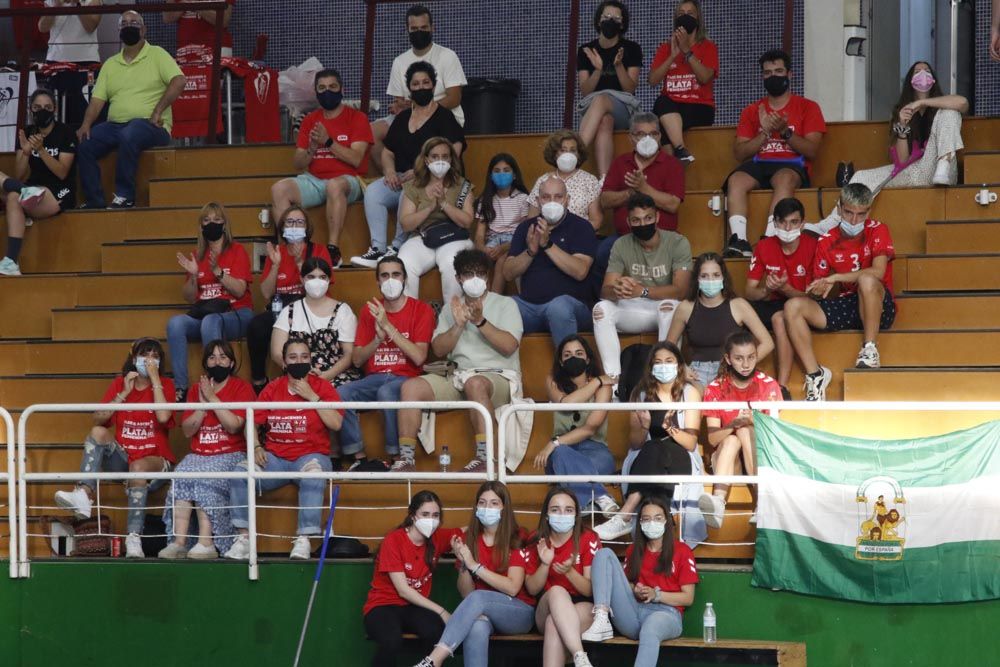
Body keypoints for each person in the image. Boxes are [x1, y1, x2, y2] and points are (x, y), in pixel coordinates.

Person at [397, 249, 523, 473]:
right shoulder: (451, 309)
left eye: (480, 273)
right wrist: (458, 325)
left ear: (487, 276)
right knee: (411, 387)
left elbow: (509, 346)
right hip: (458, 376)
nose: (475, 279)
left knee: (475, 383)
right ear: (458, 278)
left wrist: (480, 321)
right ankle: (407, 459)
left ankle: (487, 458)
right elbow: (438, 348)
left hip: (499, 376)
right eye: (468, 274)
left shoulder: (506, 304)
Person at [811, 62, 967, 238]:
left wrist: (921, 102)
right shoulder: (901, 111)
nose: (922, 74)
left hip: (943, 172)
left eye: (926, 71)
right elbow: (902, 160)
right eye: (917, 71)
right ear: (910, 80)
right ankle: (833, 221)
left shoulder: (942, 105)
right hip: (917, 172)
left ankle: (943, 164)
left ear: (933, 78)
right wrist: (901, 125)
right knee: (861, 176)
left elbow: (962, 102)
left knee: (950, 112)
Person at [54, 338, 176, 559]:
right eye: (145, 354)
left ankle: (133, 537)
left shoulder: (166, 384)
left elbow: (163, 416)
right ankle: (83, 493)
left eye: (155, 356)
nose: (149, 360)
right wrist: (123, 394)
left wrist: (156, 378)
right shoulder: (121, 383)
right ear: (134, 358)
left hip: (155, 462)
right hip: (124, 460)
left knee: (138, 467)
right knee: (97, 433)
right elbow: (98, 418)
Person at [225, 340, 344, 560]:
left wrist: (312, 397)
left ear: (310, 359)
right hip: (275, 458)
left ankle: (304, 540)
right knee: (239, 474)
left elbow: (336, 423)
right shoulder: (273, 388)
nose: (299, 361)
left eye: (304, 357)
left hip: (311, 455)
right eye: (293, 357)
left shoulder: (323, 387)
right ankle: (243, 539)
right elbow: (251, 420)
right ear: (284, 362)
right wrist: (256, 446)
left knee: (314, 475)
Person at [784, 183, 896, 401]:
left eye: (861, 214)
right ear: (839, 208)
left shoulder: (878, 229)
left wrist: (836, 277)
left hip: (879, 304)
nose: (854, 220)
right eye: (848, 212)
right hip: (847, 304)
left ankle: (870, 349)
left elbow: (878, 272)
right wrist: (819, 289)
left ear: (869, 212)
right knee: (792, 307)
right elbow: (821, 284)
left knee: (866, 279)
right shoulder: (826, 240)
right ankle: (815, 376)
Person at [354, 61, 465, 268]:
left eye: (426, 83)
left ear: (433, 86)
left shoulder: (445, 117)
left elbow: (454, 152)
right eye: (416, 84)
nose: (421, 87)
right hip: (400, 178)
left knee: (410, 189)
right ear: (409, 88)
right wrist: (389, 172)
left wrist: (418, 173)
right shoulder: (403, 117)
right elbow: (387, 151)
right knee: (374, 192)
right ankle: (377, 249)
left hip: (430, 182)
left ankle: (396, 247)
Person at [412, 482, 534, 667]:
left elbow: (513, 588)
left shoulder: (518, 536)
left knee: (480, 598)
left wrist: (474, 566)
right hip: (483, 612)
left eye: (494, 503)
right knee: (476, 626)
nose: (487, 508)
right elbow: (467, 595)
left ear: (504, 507)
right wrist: (463, 564)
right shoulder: (470, 539)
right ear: (476, 506)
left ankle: (434, 660)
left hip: (519, 613)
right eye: (483, 503)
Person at [76, 10, 186, 209]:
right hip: (115, 126)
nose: (129, 26)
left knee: (130, 132)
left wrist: (157, 111)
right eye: (124, 23)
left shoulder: (157, 54)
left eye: (134, 22)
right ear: (119, 31)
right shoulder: (110, 64)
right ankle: (95, 201)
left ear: (144, 30)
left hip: (152, 126)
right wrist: (85, 125)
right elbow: (97, 101)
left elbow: (179, 81)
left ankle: (125, 195)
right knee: (85, 144)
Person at [724, 49, 825, 257]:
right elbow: (740, 153)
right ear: (762, 76)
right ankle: (739, 242)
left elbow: (813, 151)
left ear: (790, 74)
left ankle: (769, 240)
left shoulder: (808, 107)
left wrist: (785, 132)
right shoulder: (752, 110)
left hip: (791, 165)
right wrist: (765, 134)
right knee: (736, 179)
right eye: (768, 73)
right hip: (760, 163)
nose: (773, 77)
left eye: (779, 71)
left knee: (784, 178)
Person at [595, 342, 701, 541]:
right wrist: (643, 427)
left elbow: (691, 443)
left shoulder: (689, 392)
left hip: (681, 456)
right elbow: (635, 443)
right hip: (649, 458)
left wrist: (669, 427)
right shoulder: (641, 393)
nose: (663, 366)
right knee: (654, 447)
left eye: (669, 361)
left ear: (678, 364)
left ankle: (625, 515)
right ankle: (663, 528)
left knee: (660, 447)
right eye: (658, 362)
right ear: (651, 367)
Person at [160, 339, 255, 559]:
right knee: (181, 475)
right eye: (212, 357)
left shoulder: (242, 387)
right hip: (199, 453)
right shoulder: (196, 389)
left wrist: (212, 399)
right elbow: (187, 430)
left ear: (231, 363)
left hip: (231, 453)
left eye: (223, 357)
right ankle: (179, 542)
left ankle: (206, 543)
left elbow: (234, 425)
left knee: (206, 480)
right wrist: (202, 406)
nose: (217, 361)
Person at [338, 256, 435, 467]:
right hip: (374, 378)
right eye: (384, 275)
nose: (390, 280)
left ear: (405, 279)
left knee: (387, 393)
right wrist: (377, 340)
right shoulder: (369, 310)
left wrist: (388, 327)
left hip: (405, 378)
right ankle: (359, 459)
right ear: (377, 282)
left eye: (396, 275)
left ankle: (396, 457)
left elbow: (419, 357)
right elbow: (356, 360)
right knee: (340, 393)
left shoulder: (421, 310)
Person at [270, 68, 372, 269]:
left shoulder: (357, 118)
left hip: (348, 180)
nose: (328, 91)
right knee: (278, 189)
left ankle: (333, 250)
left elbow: (356, 160)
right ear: (316, 92)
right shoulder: (310, 120)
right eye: (322, 88)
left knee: (334, 185)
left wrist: (328, 141)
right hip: (314, 180)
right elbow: (298, 163)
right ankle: (291, 248)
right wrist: (312, 148)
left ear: (342, 89)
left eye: (333, 87)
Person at [592, 193, 692, 397]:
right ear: (628, 222)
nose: (642, 223)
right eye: (636, 220)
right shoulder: (621, 244)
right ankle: (614, 385)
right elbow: (605, 290)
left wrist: (643, 291)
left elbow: (680, 290)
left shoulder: (677, 242)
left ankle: (666, 381)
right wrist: (617, 290)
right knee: (600, 309)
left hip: (661, 307)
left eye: (648, 218)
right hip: (633, 307)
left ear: (657, 218)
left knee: (672, 307)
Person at [582, 496, 698, 665]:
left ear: (666, 521)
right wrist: (635, 588)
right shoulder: (633, 550)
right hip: (634, 612)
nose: (652, 523)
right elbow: (624, 585)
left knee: (651, 626)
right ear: (640, 523)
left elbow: (688, 598)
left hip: (666, 615)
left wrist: (656, 594)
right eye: (646, 519)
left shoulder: (682, 550)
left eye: (658, 518)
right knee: (603, 554)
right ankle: (601, 617)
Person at [363, 490, 463, 667]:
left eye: (435, 515)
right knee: (391, 641)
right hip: (383, 606)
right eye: (425, 514)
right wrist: (441, 611)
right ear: (412, 516)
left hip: (414, 608)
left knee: (434, 633)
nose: (430, 520)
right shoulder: (393, 540)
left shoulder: (437, 538)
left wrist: (459, 545)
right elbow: (403, 590)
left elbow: (464, 531)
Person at [167, 202, 253, 403]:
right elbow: (189, 297)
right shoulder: (198, 255)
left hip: (237, 313)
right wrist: (195, 276)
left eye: (216, 220)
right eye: (206, 220)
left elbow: (240, 291)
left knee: (210, 321)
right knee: (175, 323)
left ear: (224, 225)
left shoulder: (237, 251)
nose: (211, 224)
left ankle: (215, 383)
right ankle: (181, 388)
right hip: (205, 313)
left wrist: (218, 272)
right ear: (201, 226)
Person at [700, 331, 782, 528]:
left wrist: (753, 422)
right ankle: (718, 502)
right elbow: (712, 440)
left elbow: (774, 434)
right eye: (739, 358)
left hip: (760, 457)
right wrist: (732, 425)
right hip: (727, 462)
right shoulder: (714, 388)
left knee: (746, 431)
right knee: (732, 438)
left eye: (751, 357)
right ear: (728, 359)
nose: (746, 365)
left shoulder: (769, 385)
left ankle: (762, 502)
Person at [370, 4, 467, 171]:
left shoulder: (447, 56)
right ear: (407, 30)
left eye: (423, 27)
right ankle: (391, 177)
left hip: (443, 115)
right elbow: (400, 101)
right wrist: (402, 106)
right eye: (414, 29)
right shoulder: (399, 61)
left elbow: (454, 97)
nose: (419, 32)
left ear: (432, 28)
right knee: (371, 131)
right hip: (410, 115)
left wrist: (425, 109)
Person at [246, 206, 332, 394]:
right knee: (257, 325)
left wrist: (300, 261)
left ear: (307, 227)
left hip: (308, 304)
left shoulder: (318, 250)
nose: (295, 226)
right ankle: (259, 380)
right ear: (283, 227)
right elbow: (266, 293)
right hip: (280, 307)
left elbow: (321, 287)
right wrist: (276, 266)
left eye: (299, 222)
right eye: (290, 222)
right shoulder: (277, 252)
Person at [503, 176, 597, 348]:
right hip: (530, 307)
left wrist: (547, 245)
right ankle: (504, 372)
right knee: (501, 306)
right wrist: (530, 251)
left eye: (558, 197)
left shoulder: (582, 227)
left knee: (558, 307)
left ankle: (568, 370)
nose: (551, 202)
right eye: (546, 197)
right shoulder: (526, 228)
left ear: (567, 200)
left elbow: (580, 271)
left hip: (571, 308)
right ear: (538, 201)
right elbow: (508, 273)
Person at [534, 335, 617, 515]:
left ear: (587, 359)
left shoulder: (605, 388)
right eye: (567, 355)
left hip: (596, 451)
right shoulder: (553, 382)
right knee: (561, 452)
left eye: (579, 353)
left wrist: (554, 442)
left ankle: (582, 503)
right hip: (559, 455)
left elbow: (590, 428)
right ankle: (601, 496)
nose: (573, 358)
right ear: (561, 362)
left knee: (562, 451)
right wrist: (596, 381)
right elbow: (566, 403)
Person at [666, 252, 774, 387]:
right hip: (697, 373)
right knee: (691, 399)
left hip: (732, 371)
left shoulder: (739, 305)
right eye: (704, 276)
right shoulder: (685, 308)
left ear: (723, 278)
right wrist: (682, 368)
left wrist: (742, 364)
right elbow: (667, 348)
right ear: (697, 280)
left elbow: (768, 343)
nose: (710, 280)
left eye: (716, 275)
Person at [744, 197, 816, 397]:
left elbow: (815, 296)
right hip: (772, 302)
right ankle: (739, 377)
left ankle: (781, 386)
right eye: (782, 222)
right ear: (774, 223)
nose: (787, 227)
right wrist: (767, 289)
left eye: (794, 222)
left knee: (781, 316)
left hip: (803, 305)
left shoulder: (814, 246)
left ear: (802, 223)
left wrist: (785, 288)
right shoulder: (763, 247)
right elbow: (750, 291)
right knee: (738, 308)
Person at [598, 112, 685, 277]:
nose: (648, 139)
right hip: (625, 237)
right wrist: (631, 192)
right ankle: (606, 300)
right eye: (641, 134)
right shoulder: (620, 163)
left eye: (653, 134)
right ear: (631, 138)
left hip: (662, 236)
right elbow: (605, 200)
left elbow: (673, 204)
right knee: (602, 253)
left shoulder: (672, 164)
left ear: (659, 137)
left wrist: (644, 188)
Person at [522, 486, 601, 667]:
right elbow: (532, 588)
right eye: (555, 509)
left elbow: (590, 590)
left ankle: (580, 658)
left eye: (569, 510)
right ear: (547, 515)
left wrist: (569, 572)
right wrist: (545, 563)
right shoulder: (537, 539)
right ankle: (579, 654)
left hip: (582, 605)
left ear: (576, 515)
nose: (562, 514)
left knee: (554, 623)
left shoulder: (588, 538)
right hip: (546, 605)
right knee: (557, 592)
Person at [1, 89, 77, 276]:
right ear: (30, 110)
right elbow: (18, 174)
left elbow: (62, 172)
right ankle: (11, 263)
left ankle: (11, 259)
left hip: (58, 191)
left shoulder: (66, 133)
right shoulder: (27, 133)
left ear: (55, 110)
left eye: (47, 107)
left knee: (12, 196)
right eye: (37, 107)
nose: (42, 111)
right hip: (30, 186)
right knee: (14, 193)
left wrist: (41, 150)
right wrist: (26, 151)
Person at [396, 137, 476, 304]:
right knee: (404, 261)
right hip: (423, 236)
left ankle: (453, 318)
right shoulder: (414, 185)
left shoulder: (462, 185)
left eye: (445, 156)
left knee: (451, 262)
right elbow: (406, 224)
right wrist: (430, 207)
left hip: (454, 237)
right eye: (434, 156)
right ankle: (409, 319)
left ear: (451, 159)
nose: (440, 161)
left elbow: (467, 221)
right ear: (426, 159)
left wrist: (444, 204)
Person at [270, 256, 360, 389]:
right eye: (311, 277)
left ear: (329, 280)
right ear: (302, 279)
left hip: (336, 376)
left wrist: (325, 376)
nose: (316, 282)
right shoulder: (289, 311)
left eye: (322, 277)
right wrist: (299, 372)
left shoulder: (343, 311)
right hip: (297, 376)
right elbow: (276, 352)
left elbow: (349, 354)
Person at [577, 1, 643, 177]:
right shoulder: (586, 50)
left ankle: (574, 154)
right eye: (606, 17)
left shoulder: (632, 48)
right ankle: (604, 180)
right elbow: (585, 91)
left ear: (622, 23)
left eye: (616, 18)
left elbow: (630, 89)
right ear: (599, 21)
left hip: (624, 109)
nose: (610, 21)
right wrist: (597, 70)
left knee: (602, 99)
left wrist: (619, 65)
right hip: (594, 110)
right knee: (605, 121)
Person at [649, 0, 718, 163]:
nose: (685, 17)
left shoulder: (708, 47)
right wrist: (672, 55)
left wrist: (687, 50)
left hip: (699, 106)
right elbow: (652, 80)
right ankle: (680, 150)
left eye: (690, 13)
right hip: (670, 106)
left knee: (662, 124)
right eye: (681, 14)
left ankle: (673, 162)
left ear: (698, 18)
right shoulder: (666, 48)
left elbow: (705, 77)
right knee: (661, 104)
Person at [38, 0, 101, 128]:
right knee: (56, 112)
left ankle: (84, 145)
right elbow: (42, 27)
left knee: (84, 111)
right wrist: (57, 6)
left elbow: (91, 26)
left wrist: (77, 3)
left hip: (86, 61)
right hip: (56, 61)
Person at [473, 153, 530, 294]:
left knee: (501, 262)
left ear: (514, 175)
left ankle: (493, 305)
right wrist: (482, 248)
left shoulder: (523, 199)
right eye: (497, 171)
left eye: (506, 170)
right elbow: (479, 236)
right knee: (477, 264)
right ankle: (479, 302)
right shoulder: (485, 200)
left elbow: (525, 232)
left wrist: (504, 247)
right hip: (492, 241)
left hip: (515, 240)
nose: (501, 174)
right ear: (491, 176)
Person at [526, 130, 603, 232]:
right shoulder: (543, 180)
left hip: (579, 237)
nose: (568, 154)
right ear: (555, 154)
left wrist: (570, 233)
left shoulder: (590, 180)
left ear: (578, 154)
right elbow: (531, 220)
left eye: (572, 150)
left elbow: (596, 221)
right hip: (547, 236)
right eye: (563, 150)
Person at [164, 0, 235, 60]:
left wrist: (196, 5)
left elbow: (224, 20)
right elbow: (167, 18)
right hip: (186, 49)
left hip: (218, 48)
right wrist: (188, 4)